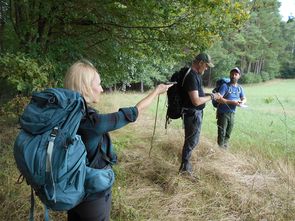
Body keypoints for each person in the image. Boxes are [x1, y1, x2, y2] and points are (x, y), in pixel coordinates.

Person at [64, 59, 172, 221]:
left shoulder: (66, 115)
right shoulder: (92, 123)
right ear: (86, 87)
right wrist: (156, 91)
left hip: (70, 189)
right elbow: (134, 112)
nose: (101, 89)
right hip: (91, 195)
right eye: (99, 84)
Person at [179, 53, 221, 175]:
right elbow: (196, 101)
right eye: (206, 65)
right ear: (201, 63)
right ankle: (185, 169)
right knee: (191, 141)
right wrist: (212, 96)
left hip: (194, 114)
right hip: (192, 115)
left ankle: (185, 166)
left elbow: (198, 95)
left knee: (192, 140)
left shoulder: (195, 75)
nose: (207, 68)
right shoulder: (191, 76)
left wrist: (210, 94)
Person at [216, 67, 247, 148]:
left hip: (232, 113)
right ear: (230, 75)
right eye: (232, 74)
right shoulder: (225, 86)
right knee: (222, 133)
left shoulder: (239, 88)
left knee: (228, 133)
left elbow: (244, 98)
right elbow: (218, 99)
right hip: (223, 113)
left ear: (239, 76)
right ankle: (220, 151)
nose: (233, 76)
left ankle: (225, 149)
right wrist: (232, 102)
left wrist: (242, 102)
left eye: (236, 74)